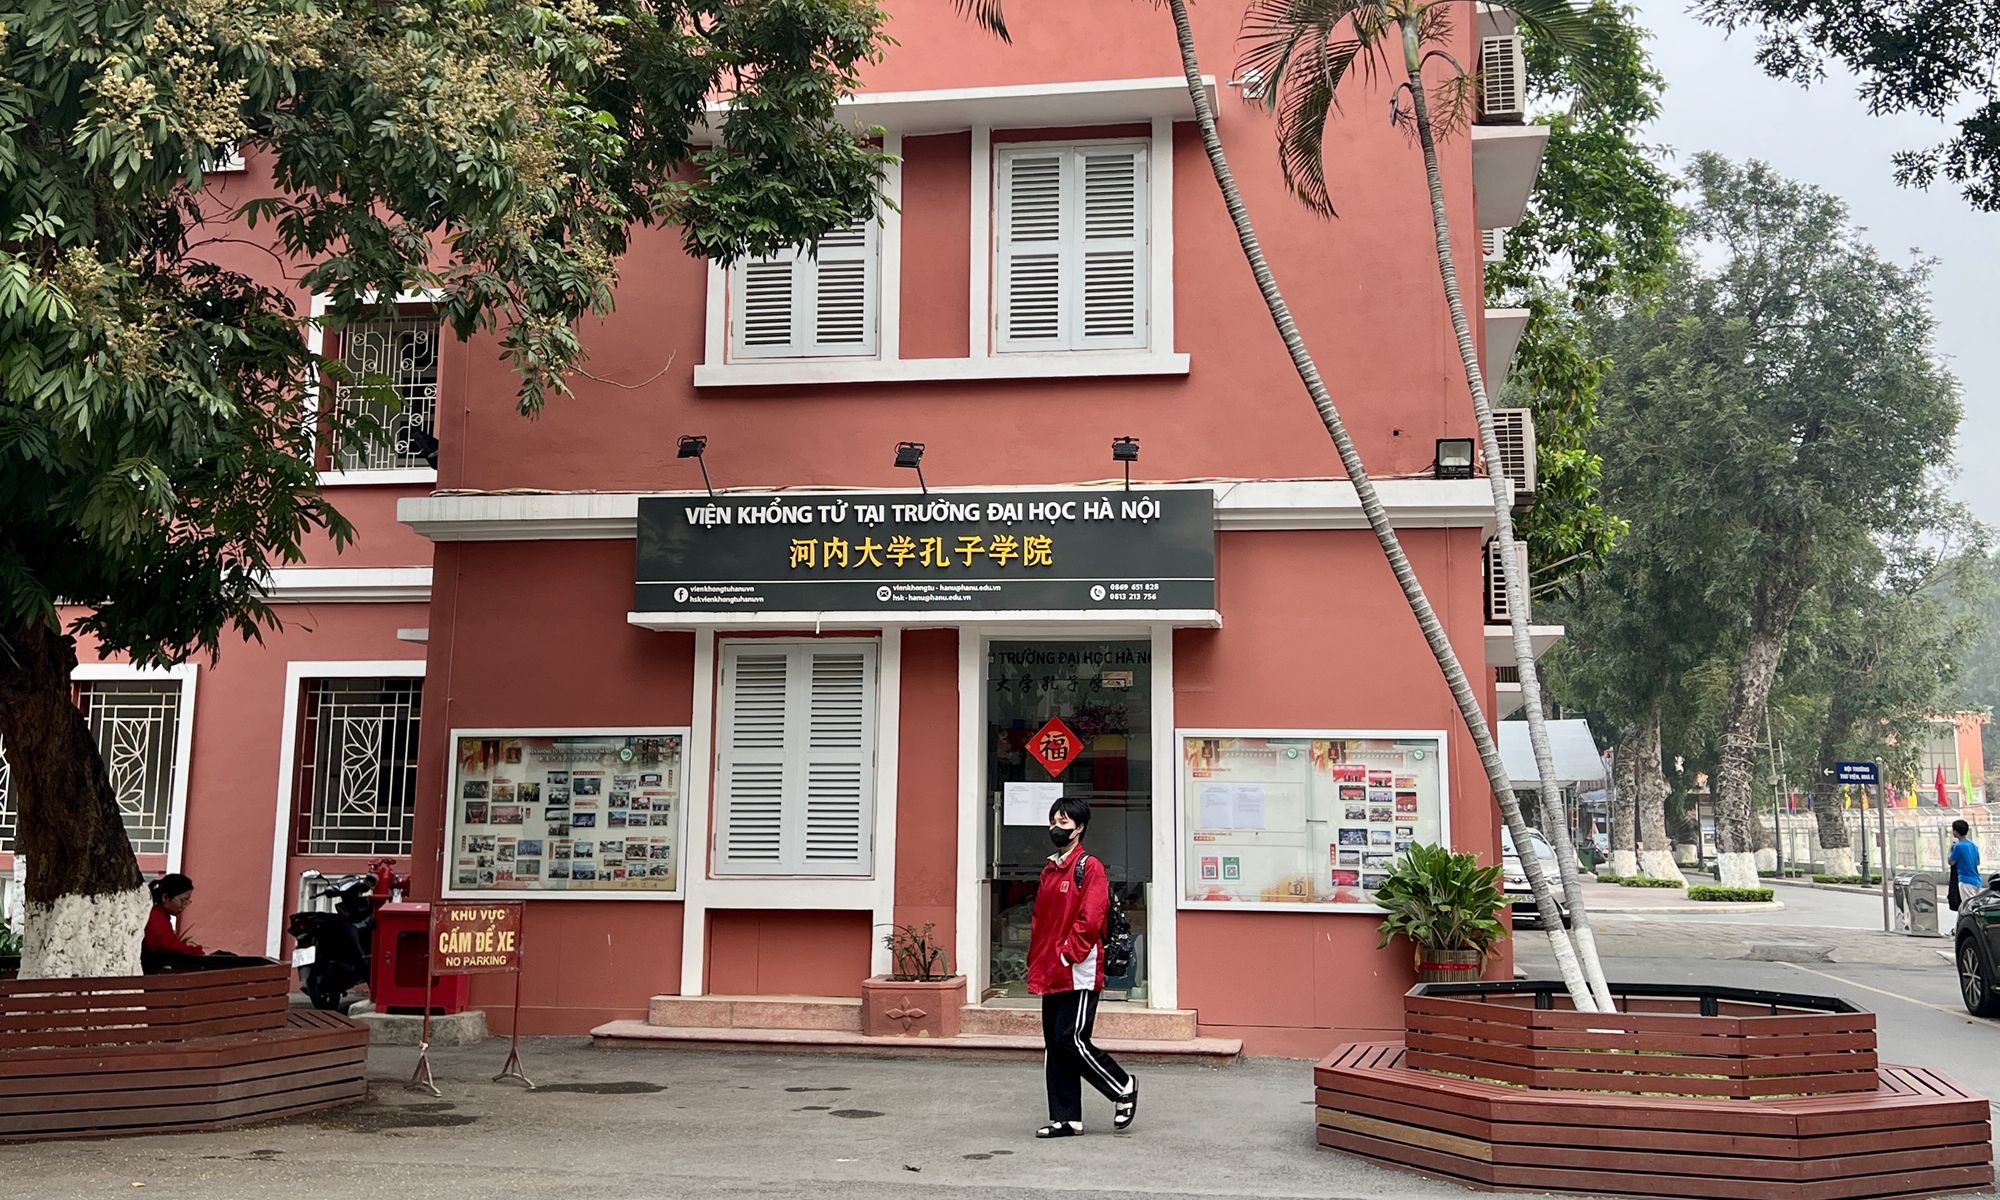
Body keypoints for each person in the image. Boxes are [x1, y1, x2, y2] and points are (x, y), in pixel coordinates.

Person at [1028, 795, 1137, 1138]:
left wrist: (1068, 954)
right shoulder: (1050, 868)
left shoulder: (1089, 867)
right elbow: (1040, 922)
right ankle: (1065, 1118)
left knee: (1070, 1038)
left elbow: (1091, 918)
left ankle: (1122, 1085)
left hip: (1079, 967)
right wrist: (1039, 960)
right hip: (1051, 968)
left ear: (1079, 827)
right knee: (1055, 1043)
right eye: (1053, 822)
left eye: (1063, 823)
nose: (1055, 828)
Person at [142, 873, 207, 972]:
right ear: (165, 898)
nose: (184, 906)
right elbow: (167, 946)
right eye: (182, 901)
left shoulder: (159, 915)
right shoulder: (156, 917)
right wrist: (195, 951)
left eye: (187, 902)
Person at [1948, 819, 1982, 912]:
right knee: (1974, 906)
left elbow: (1951, 862)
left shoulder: (1958, 846)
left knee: (1969, 909)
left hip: (1966, 881)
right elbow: (1978, 862)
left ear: (1955, 832)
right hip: (1977, 880)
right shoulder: (1973, 845)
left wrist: (1950, 849)